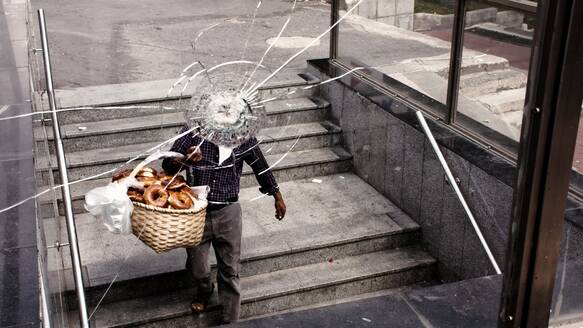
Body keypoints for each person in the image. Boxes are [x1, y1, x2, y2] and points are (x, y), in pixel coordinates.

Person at [162, 127, 286, 324]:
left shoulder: (243, 136)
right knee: (198, 269)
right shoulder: (191, 132)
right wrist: (184, 159)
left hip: (228, 212)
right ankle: (205, 290)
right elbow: (167, 165)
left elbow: (260, 166)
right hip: (196, 213)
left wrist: (276, 195)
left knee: (230, 271)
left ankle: (231, 321)